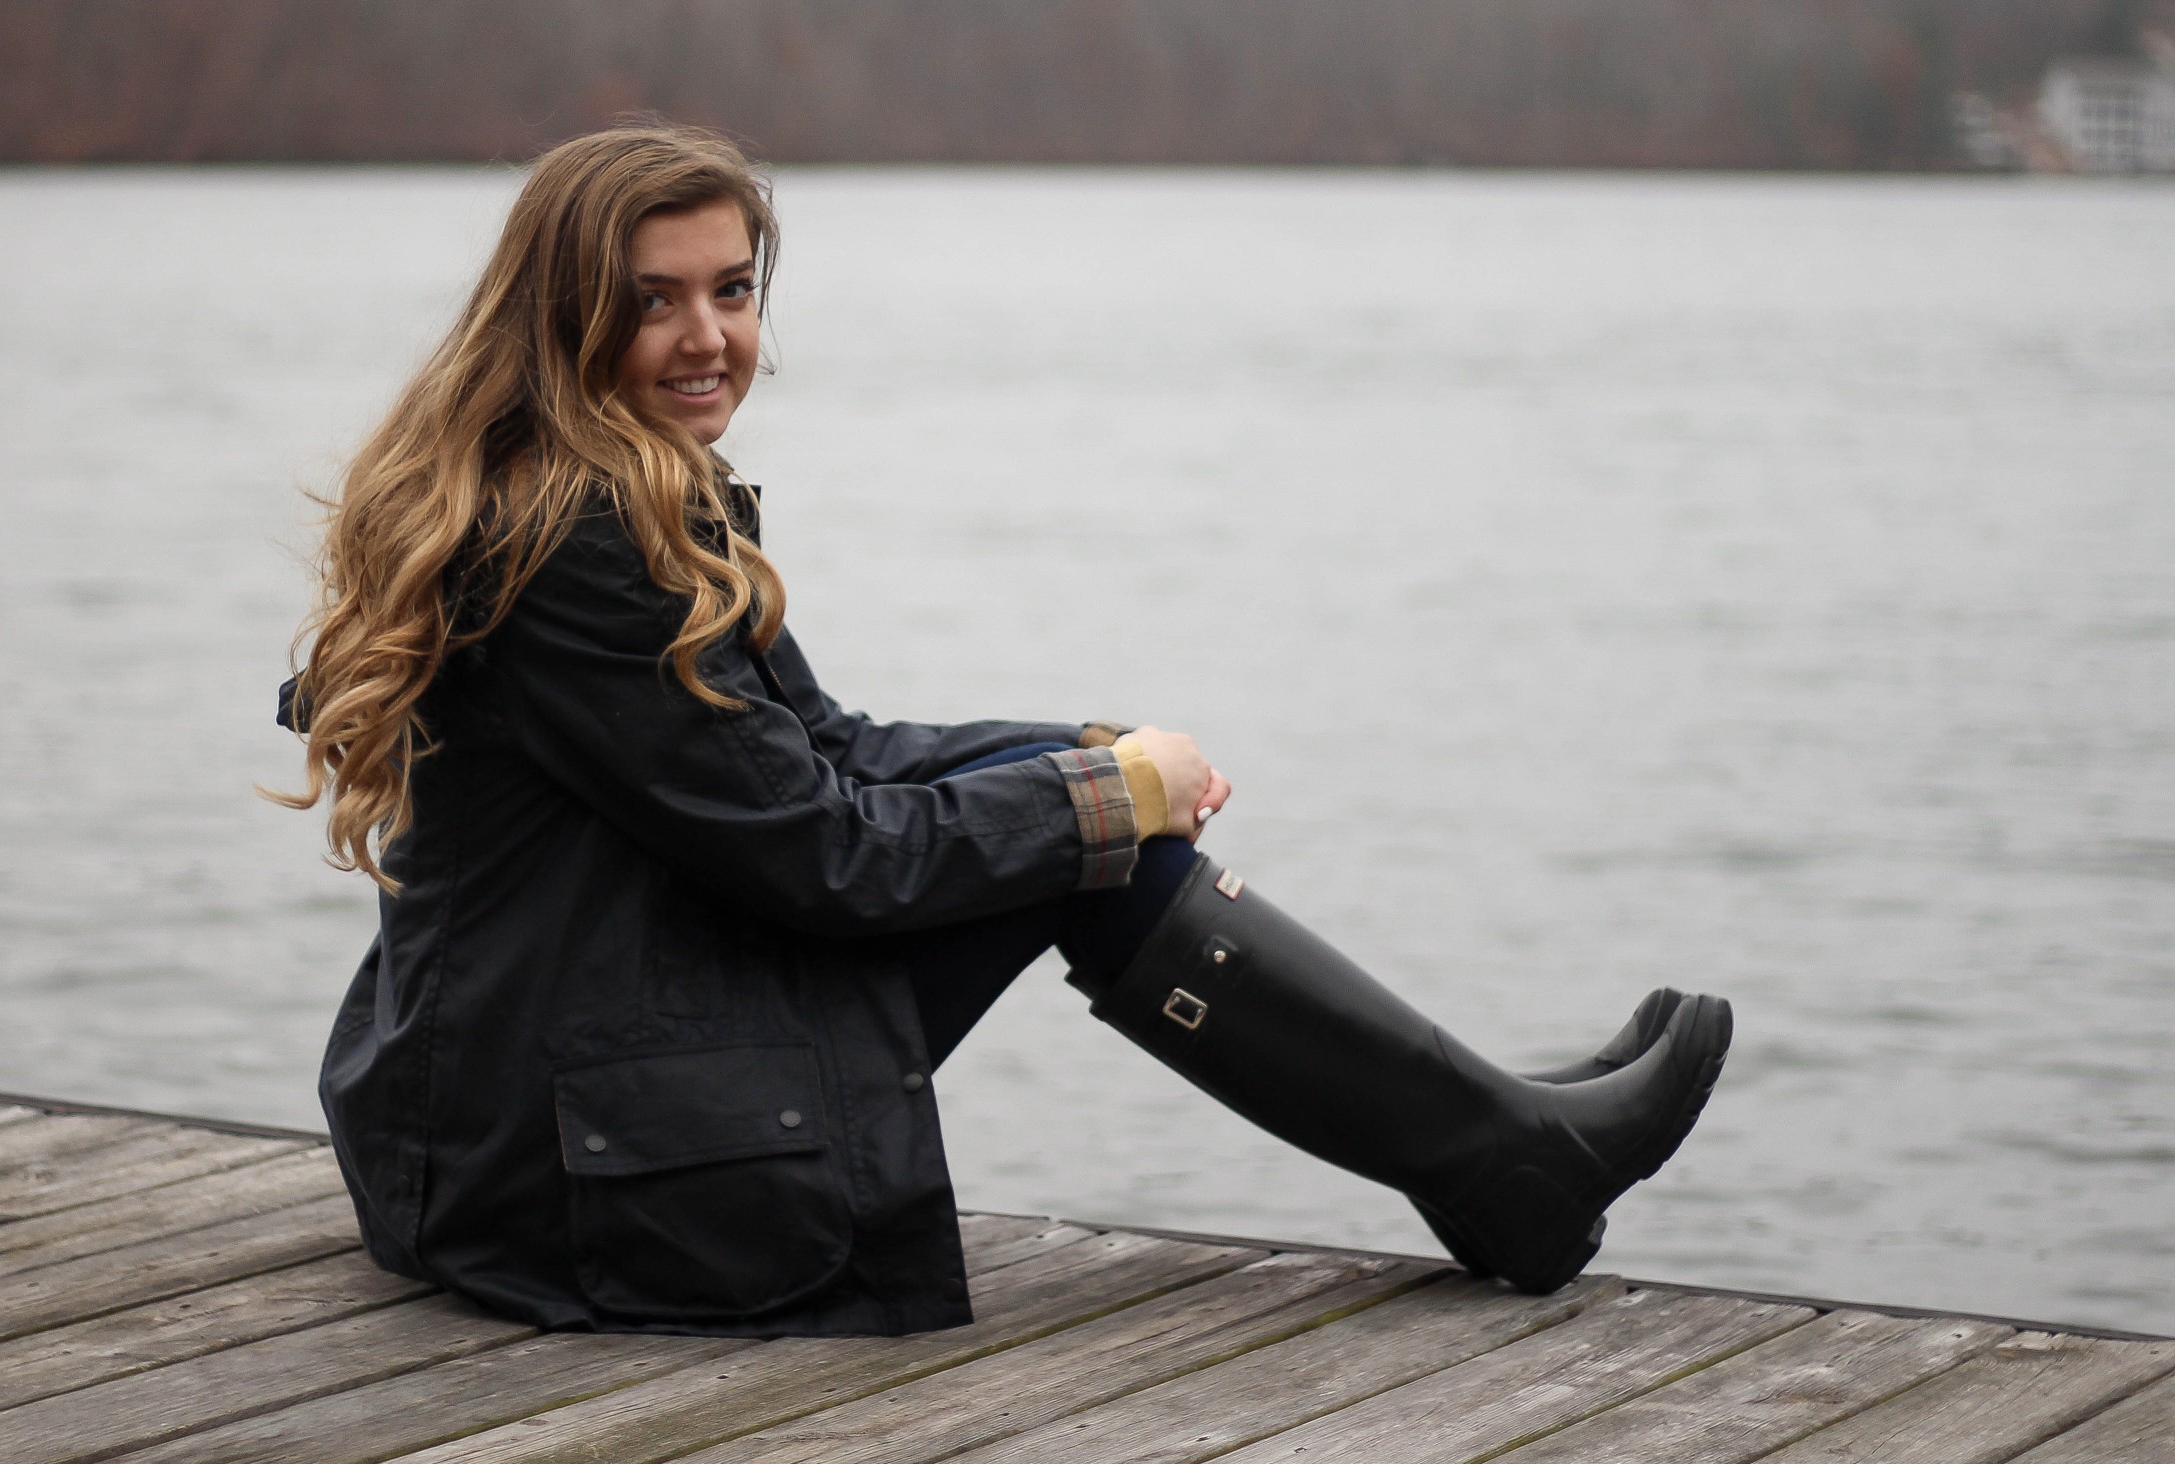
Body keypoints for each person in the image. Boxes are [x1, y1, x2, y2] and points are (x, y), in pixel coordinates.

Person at [273, 122, 1731, 1337]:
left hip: (527, 1100)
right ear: (564, 313)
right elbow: (824, 857)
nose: (708, 335)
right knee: (1088, 850)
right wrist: (1106, 806)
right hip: (558, 1176)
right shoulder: (578, 543)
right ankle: (1502, 1160)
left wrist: (1091, 750)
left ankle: (1492, 1145)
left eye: (731, 288)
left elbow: (825, 746)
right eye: (657, 299)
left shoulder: (603, 488)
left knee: (1076, 813)